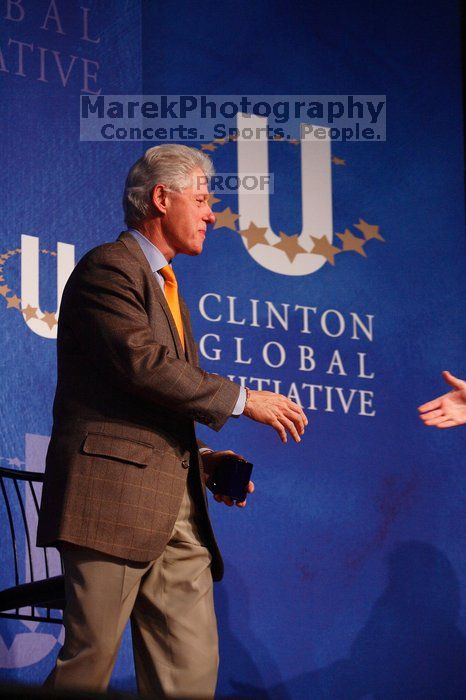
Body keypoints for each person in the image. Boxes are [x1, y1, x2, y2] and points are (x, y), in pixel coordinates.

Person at [37, 144, 307, 699]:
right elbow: (142, 366)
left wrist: (203, 461)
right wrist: (242, 399)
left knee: (189, 676)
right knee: (87, 671)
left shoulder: (170, 291)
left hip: (179, 513)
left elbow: (150, 403)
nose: (212, 214)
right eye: (204, 199)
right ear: (161, 198)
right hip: (111, 501)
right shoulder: (108, 267)